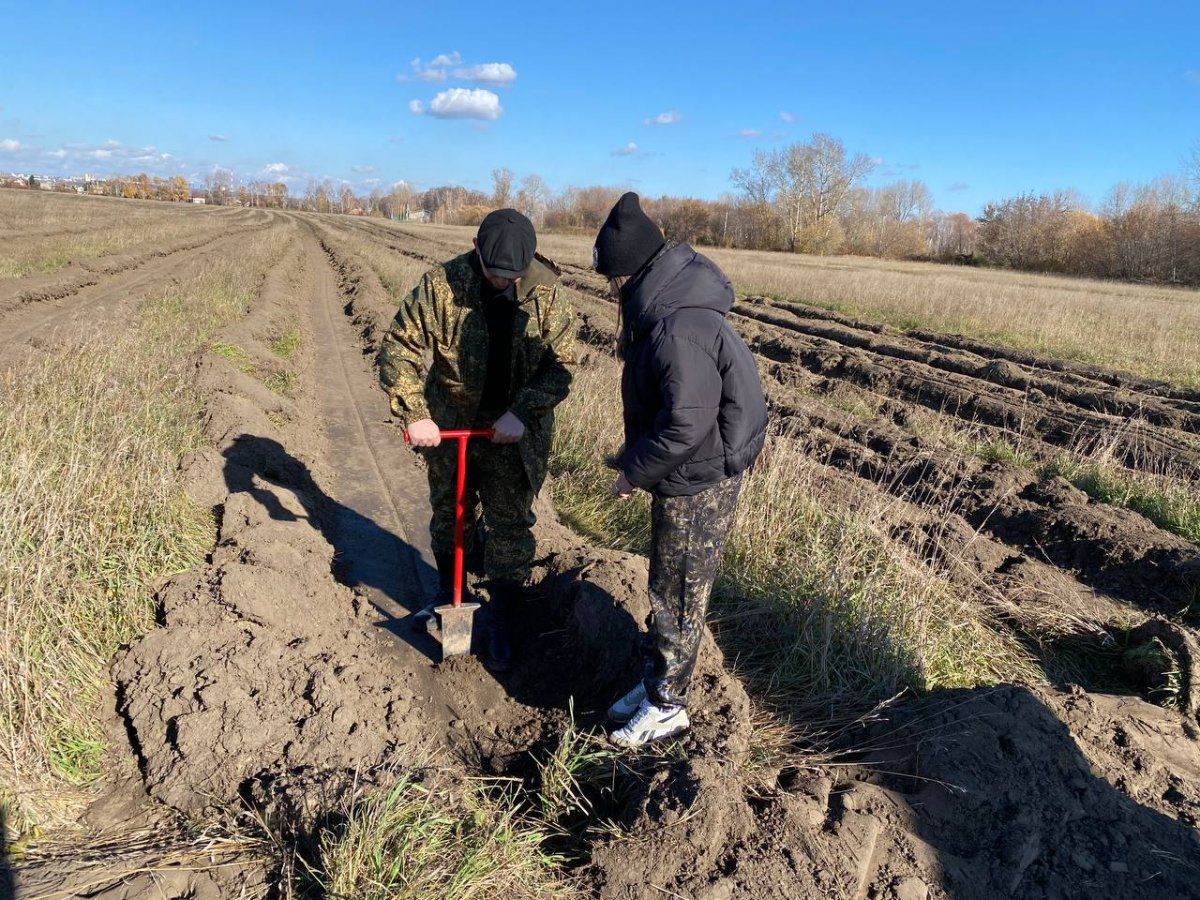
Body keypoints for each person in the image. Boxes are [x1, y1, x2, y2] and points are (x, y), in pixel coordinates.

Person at [593, 192, 768, 748]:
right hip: (691, 465)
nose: (609, 289)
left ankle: (667, 706)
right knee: (667, 582)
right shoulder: (665, 308)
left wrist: (632, 472)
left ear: (629, 271)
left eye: (611, 277)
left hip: (700, 474)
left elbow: (684, 426)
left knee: (679, 592)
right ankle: (655, 684)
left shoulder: (676, 328)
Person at [378, 209, 576, 671]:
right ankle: (450, 596)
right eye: (494, 273)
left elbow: (562, 366)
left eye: (513, 275)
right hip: (452, 423)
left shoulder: (546, 291)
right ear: (475, 249)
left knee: (509, 523)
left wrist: (521, 412)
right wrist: (415, 413)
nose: (504, 282)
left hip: (513, 430)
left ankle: (503, 618)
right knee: (450, 511)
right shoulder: (442, 285)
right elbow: (398, 346)